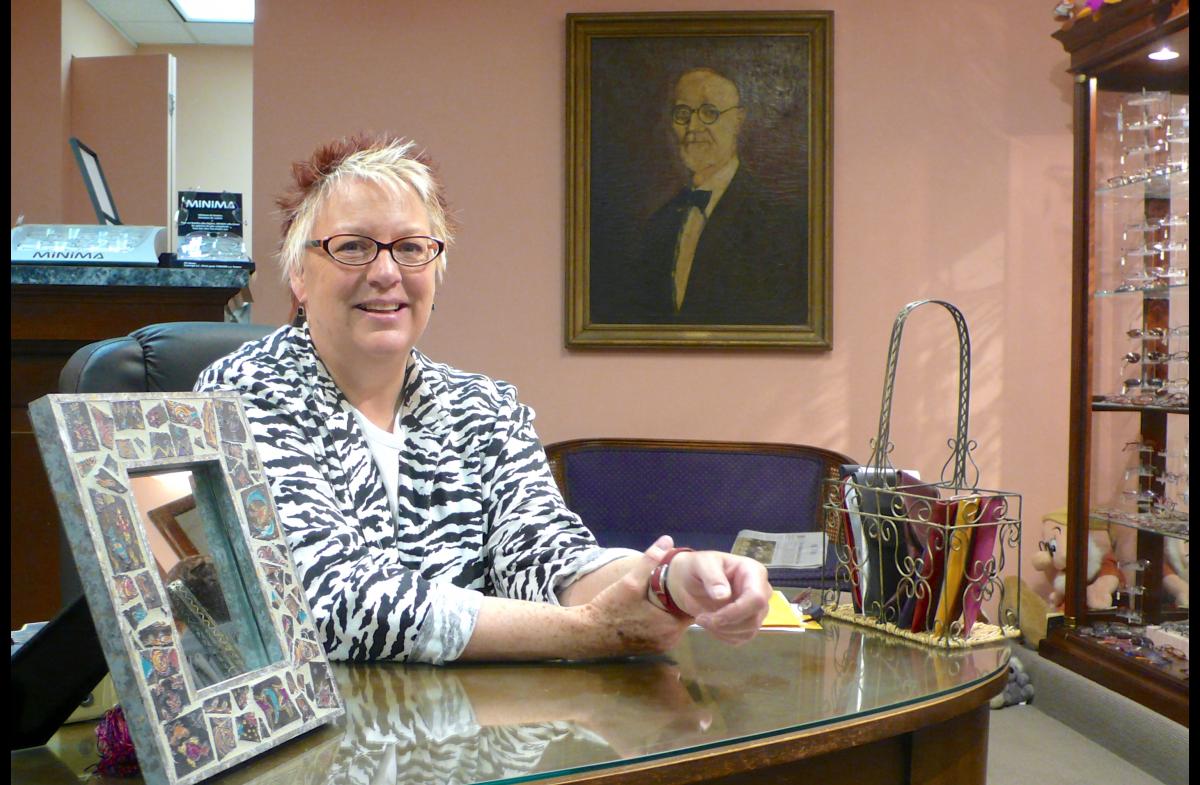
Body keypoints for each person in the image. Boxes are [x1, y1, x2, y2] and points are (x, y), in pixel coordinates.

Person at [196, 132, 772, 664]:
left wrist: (668, 582)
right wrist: (591, 630)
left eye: (411, 248)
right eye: (352, 247)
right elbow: (330, 605)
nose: (386, 271)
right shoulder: (239, 396)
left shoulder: (484, 407)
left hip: (477, 729)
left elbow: (547, 556)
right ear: (299, 274)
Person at [619, 68, 808, 325]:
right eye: (682, 114)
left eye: (709, 113)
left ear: (738, 121)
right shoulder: (659, 224)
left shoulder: (778, 222)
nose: (693, 127)